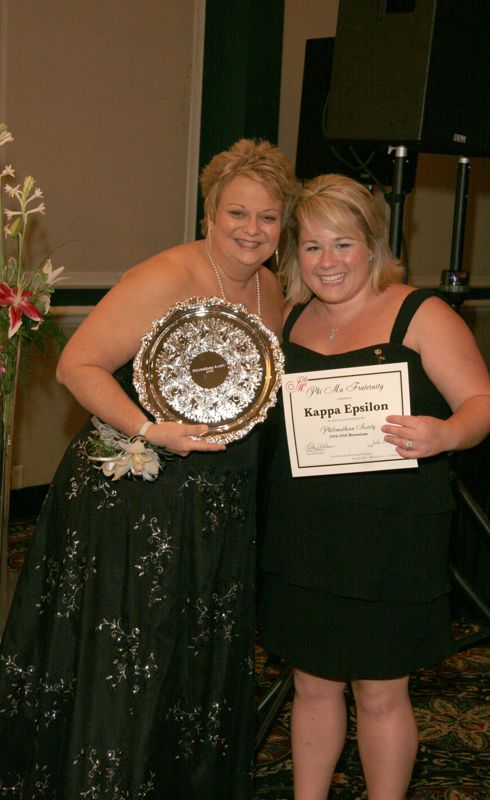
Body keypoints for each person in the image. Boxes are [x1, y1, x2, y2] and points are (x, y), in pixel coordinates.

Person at [0, 138, 298, 799]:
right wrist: (148, 430)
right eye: (236, 214)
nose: (252, 230)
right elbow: (78, 363)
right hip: (141, 492)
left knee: (194, 646)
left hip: (220, 494)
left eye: (268, 218)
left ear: (283, 225)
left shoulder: (272, 288)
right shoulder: (165, 276)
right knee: (136, 646)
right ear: (209, 214)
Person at [257, 174, 490, 800]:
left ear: (372, 245)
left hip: (390, 530)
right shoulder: (288, 320)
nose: (328, 262)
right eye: (311, 247)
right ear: (294, 255)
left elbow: (481, 403)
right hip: (305, 527)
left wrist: (445, 434)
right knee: (311, 683)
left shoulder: (421, 312)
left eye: (342, 244)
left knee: (381, 689)